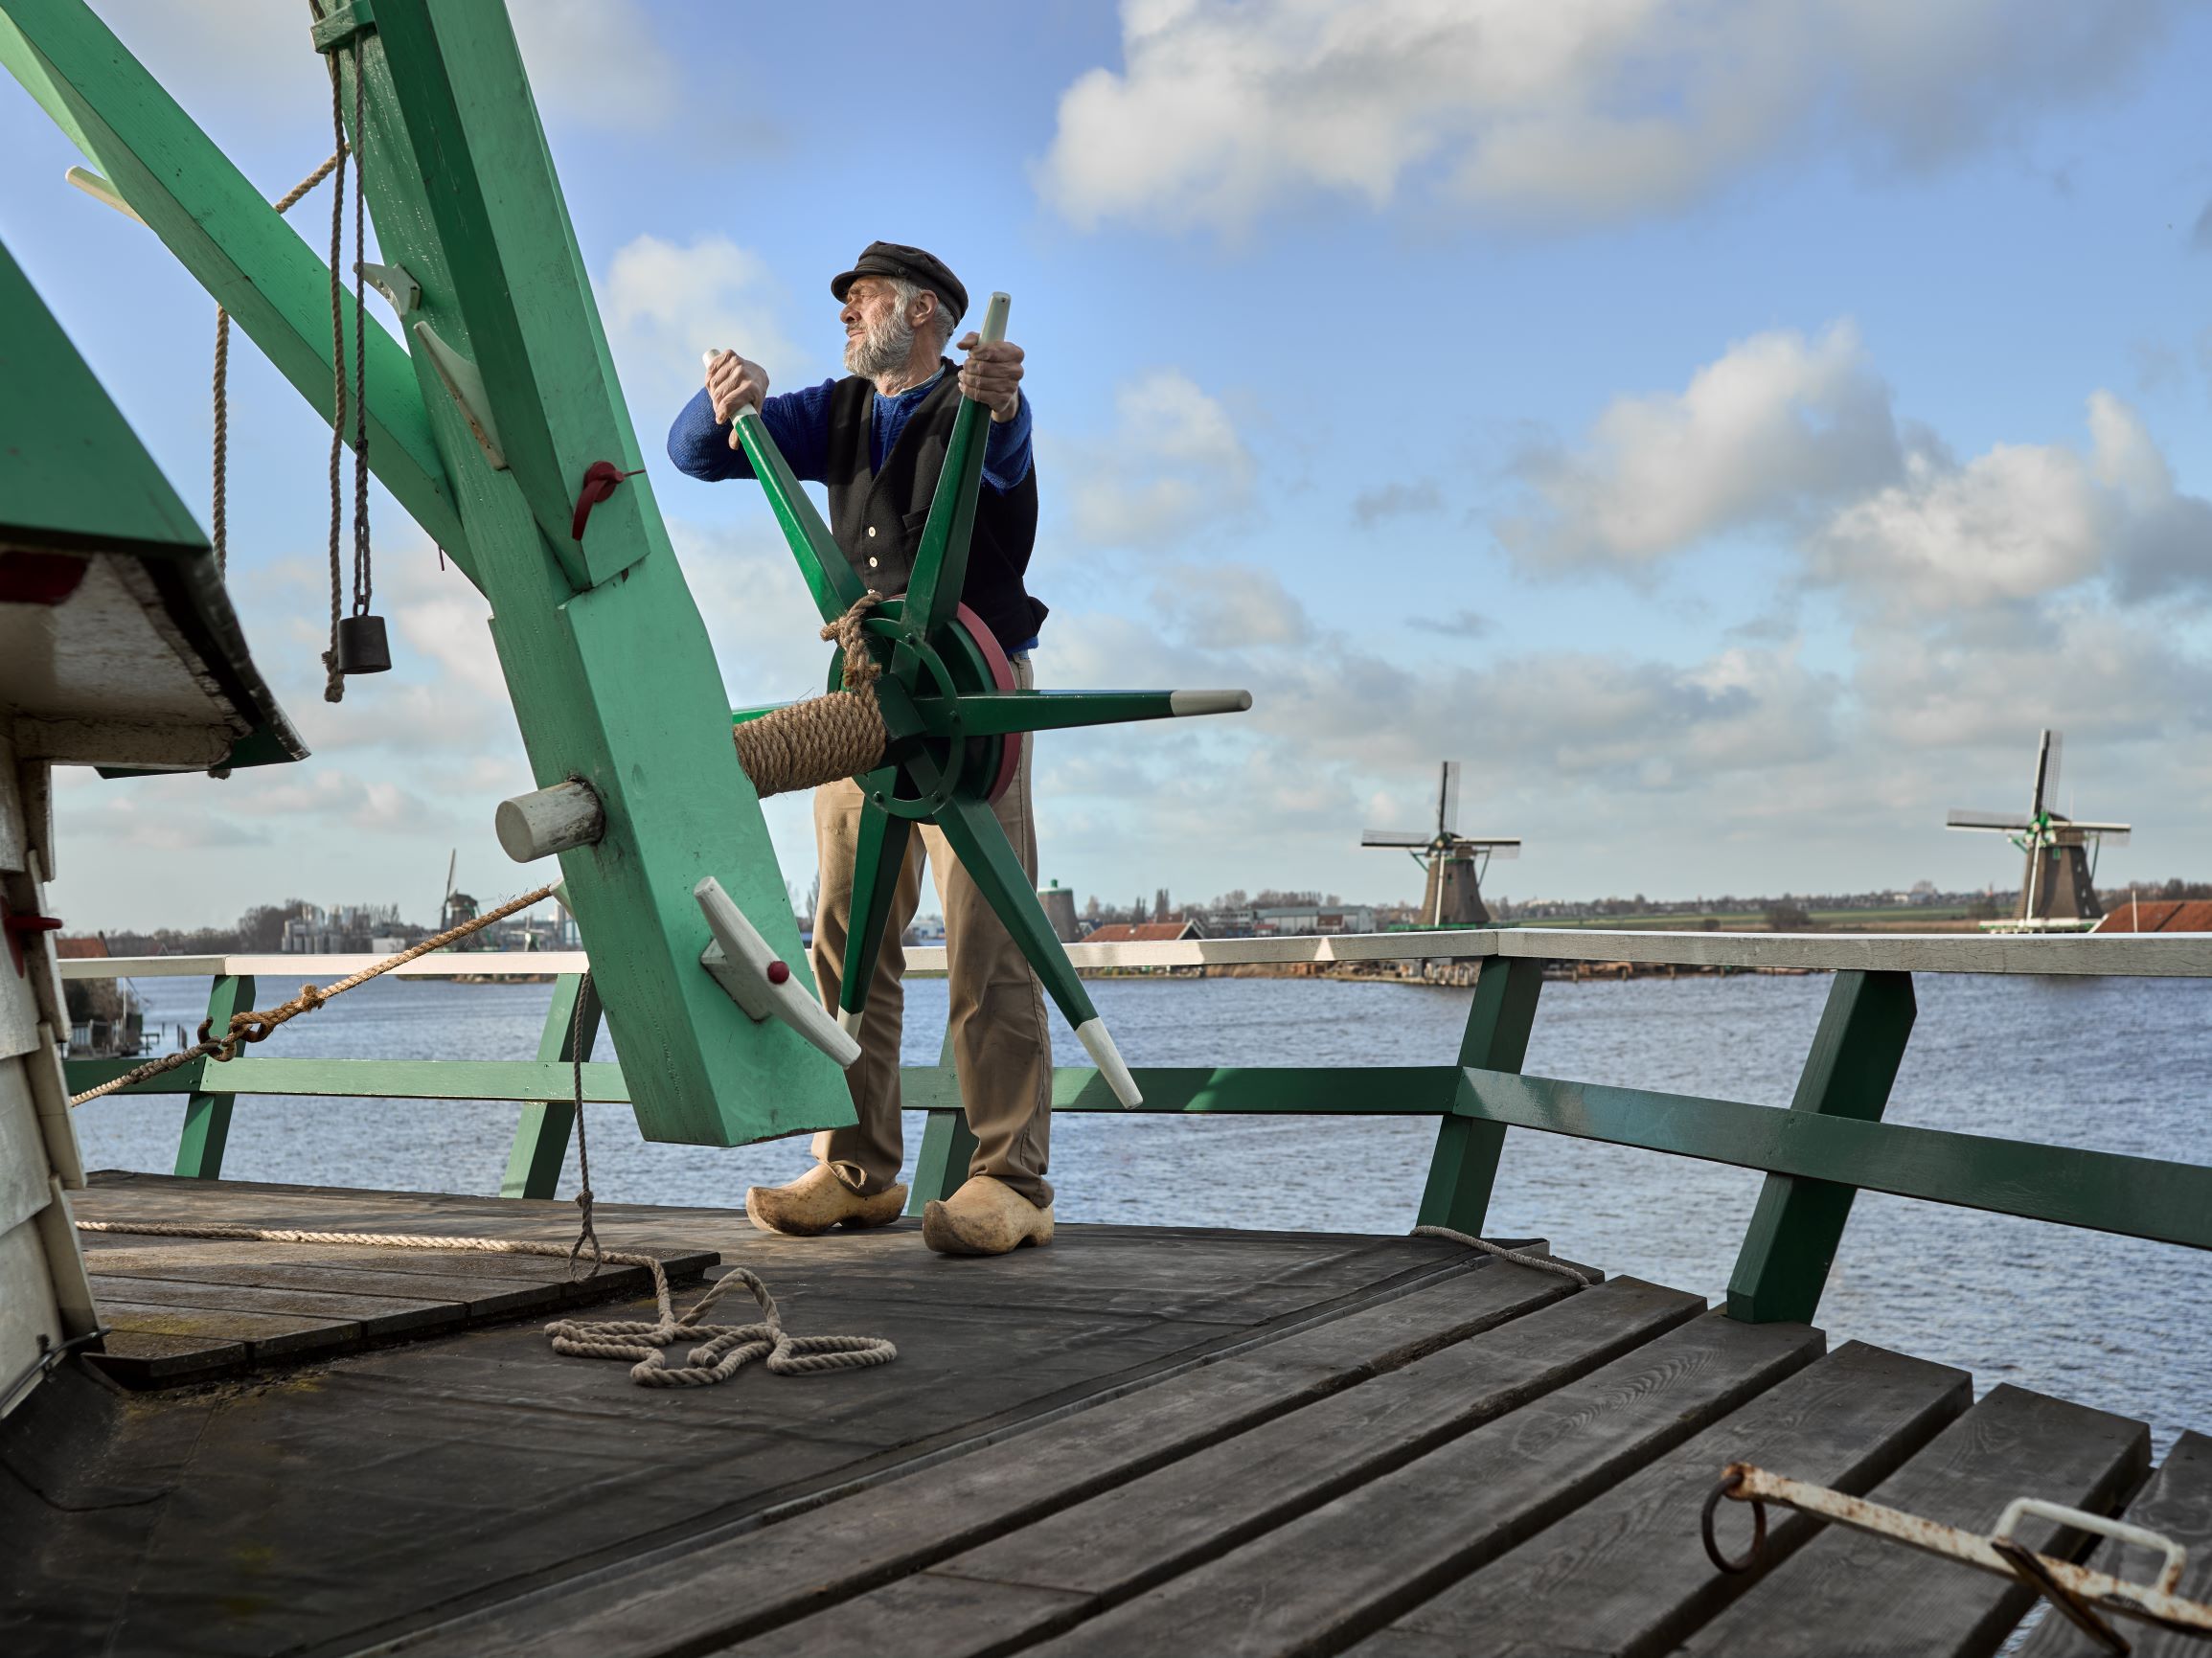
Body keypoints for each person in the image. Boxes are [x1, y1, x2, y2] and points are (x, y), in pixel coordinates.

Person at [667, 241, 1055, 1257]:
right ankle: (853, 1166)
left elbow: (1006, 450)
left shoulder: (975, 402)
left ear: (924, 313)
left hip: (973, 707)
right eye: (843, 302)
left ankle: (1009, 1180)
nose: (844, 314)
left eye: (864, 299)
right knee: (844, 937)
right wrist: (722, 397)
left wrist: (1001, 401)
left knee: (988, 942)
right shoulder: (832, 411)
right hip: (865, 700)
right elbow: (695, 454)